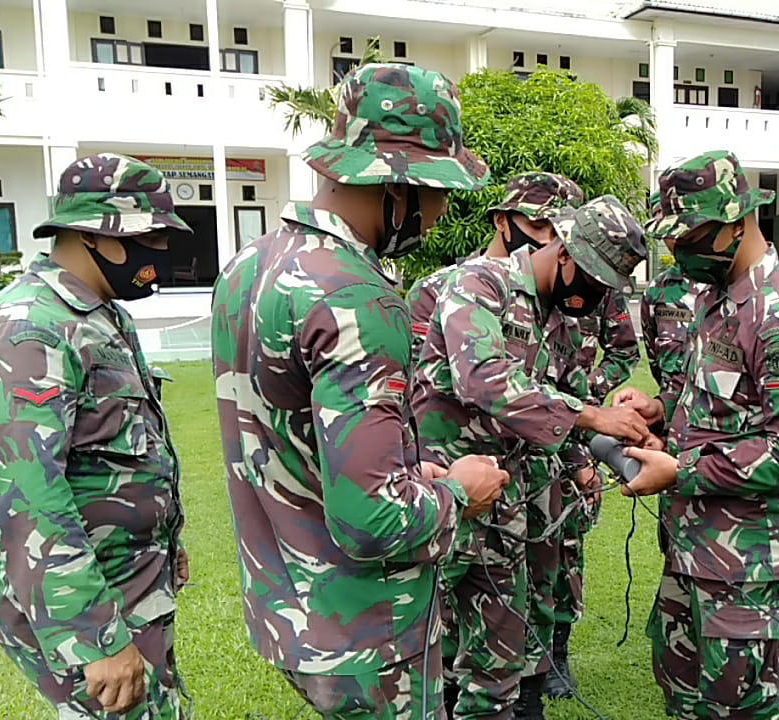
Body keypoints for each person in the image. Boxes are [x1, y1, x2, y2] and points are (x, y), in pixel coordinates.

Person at [211, 63, 510, 720]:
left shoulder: (251, 265)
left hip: (289, 608)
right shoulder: (357, 298)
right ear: (396, 184)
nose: (436, 214)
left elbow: (294, 434)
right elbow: (371, 519)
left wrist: (409, 472)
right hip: (368, 635)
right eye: (435, 193)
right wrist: (459, 489)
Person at [0, 153, 193, 718]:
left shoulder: (100, 315)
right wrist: (95, 638)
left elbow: (119, 449)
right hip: (80, 606)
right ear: (94, 235)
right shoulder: (24, 329)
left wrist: (163, 540)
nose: (159, 253)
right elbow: (28, 500)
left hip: (126, 580)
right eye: (149, 237)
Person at [411, 194, 652, 720]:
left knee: (501, 663)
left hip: (514, 508)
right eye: (591, 279)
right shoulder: (480, 285)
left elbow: (558, 402)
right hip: (450, 497)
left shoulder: (559, 318)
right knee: (424, 654)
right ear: (562, 252)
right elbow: (484, 380)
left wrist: (615, 447)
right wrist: (590, 416)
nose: (594, 297)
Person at [614, 150, 779, 720]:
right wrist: (659, 411)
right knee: (681, 687)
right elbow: (715, 401)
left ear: (737, 223)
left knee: (738, 706)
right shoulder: (716, 301)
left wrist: (680, 471)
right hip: (694, 544)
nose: (676, 253)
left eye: (689, 237)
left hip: (747, 559)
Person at [405, 171, 585, 716]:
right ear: (503, 221)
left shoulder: (552, 303)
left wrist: (580, 454)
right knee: (437, 621)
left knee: (522, 604)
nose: (546, 237)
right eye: (537, 223)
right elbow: (424, 390)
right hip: (450, 481)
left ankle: (528, 682)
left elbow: (561, 389)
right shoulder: (447, 289)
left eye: (558, 230)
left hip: (528, 485)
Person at [541, 254, 642, 702]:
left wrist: (590, 394)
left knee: (567, 545)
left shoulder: (598, 285)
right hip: (526, 424)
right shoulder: (523, 289)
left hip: (580, 428)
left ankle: (556, 653)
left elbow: (624, 350)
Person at [408, 172, 585, 361]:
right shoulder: (434, 290)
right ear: (501, 220)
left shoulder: (558, 310)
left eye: (559, 235)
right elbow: (419, 380)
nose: (547, 242)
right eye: (538, 226)